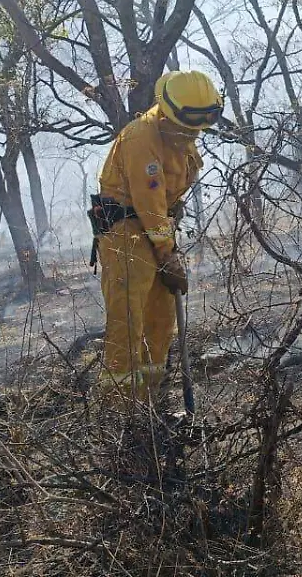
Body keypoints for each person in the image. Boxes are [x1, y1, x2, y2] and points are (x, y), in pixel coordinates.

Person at [90, 70, 221, 403]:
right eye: (187, 127)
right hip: (125, 236)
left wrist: (168, 245)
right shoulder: (140, 138)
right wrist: (168, 254)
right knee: (128, 323)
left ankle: (149, 401)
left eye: (196, 128)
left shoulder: (180, 138)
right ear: (166, 112)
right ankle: (121, 411)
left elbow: (168, 198)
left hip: (158, 232)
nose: (192, 134)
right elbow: (149, 202)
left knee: (160, 320)